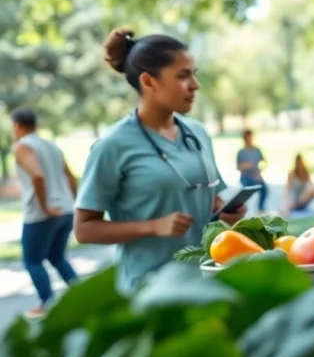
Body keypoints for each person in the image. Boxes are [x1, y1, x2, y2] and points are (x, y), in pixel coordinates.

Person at [74, 28, 247, 292]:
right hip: (148, 290)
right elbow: (84, 230)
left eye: (194, 74)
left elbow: (210, 200)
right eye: (183, 75)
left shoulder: (197, 133)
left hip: (204, 282)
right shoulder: (112, 145)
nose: (195, 85)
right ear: (149, 81)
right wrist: (153, 226)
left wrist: (225, 214)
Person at [11, 108, 79, 316]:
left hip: (42, 214)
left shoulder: (22, 146)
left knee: (32, 261)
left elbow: (38, 177)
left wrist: (45, 207)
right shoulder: (52, 146)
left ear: (17, 126)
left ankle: (47, 305)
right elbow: (71, 177)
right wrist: (72, 202)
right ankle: (81, 296)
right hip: (66, 210)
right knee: (57, 257)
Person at [237, 129, 268, 213]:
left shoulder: (257, 150)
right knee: (245, 192)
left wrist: (260, 171)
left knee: (265, 189)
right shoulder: (241, 152)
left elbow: (264, 162)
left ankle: (260, 209)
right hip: (246, 177)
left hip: (256, 176)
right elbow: (238, 167)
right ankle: (241, 210)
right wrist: (245, 166)